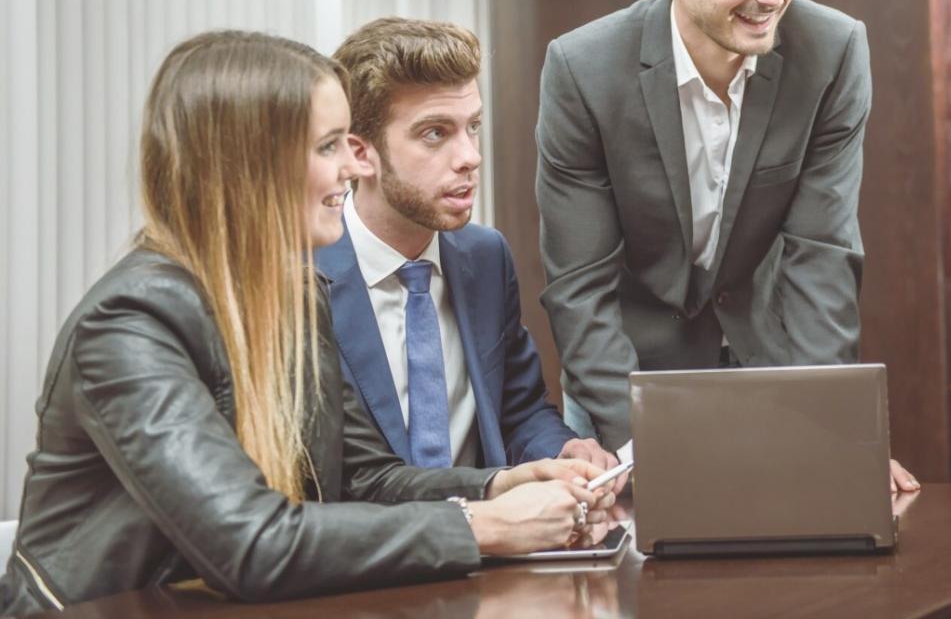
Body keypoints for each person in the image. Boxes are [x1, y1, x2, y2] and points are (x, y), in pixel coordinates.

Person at [0, 31, 612, 615]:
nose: (351, 168)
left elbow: (366, 478)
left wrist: (499, 486)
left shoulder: (292, 292)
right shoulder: (131, 321)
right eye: (328, 146)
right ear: (248, 165)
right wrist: (483, 525)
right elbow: (249, 541)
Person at [536, 0, 917, 490]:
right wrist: (642, 449)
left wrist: (831, 433)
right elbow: (580, 284)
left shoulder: (832, 51)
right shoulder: (583, 70)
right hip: (626, 381)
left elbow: (822, 256)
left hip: (773, 373)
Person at [316, 18, 615, 475]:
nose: (470, 157)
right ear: (361, 155)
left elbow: (519, 411)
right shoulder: (300, 277)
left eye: (472, 127)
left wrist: (561, 451)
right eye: (435, 133)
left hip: (496, 541)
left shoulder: (485, 256)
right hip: (369, 540)